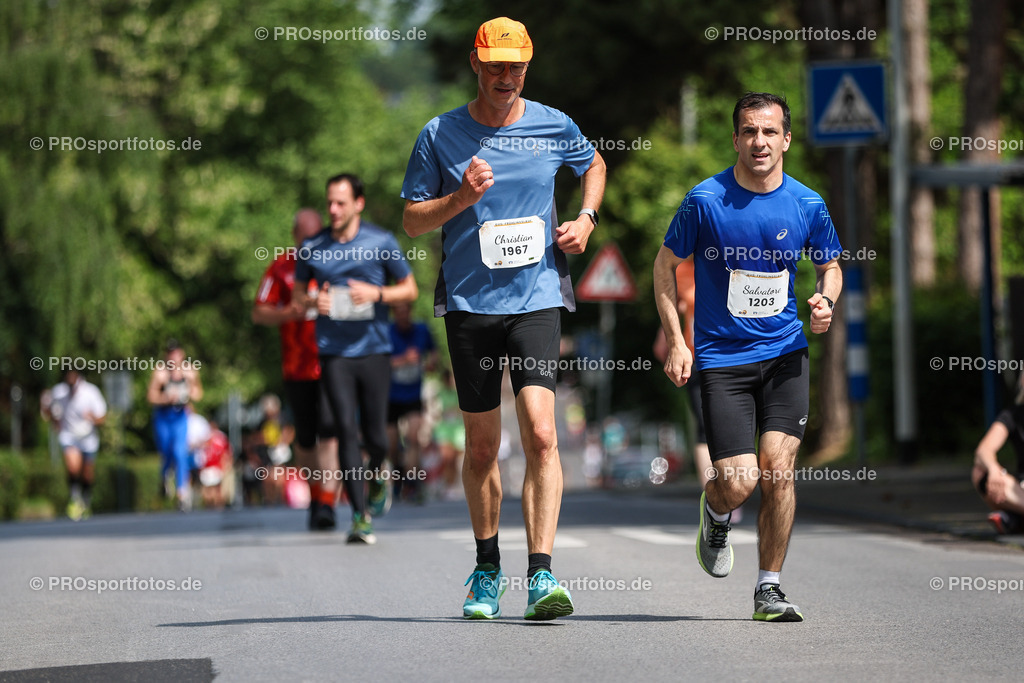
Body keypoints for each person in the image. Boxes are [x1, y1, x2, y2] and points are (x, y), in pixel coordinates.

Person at [401, 16, 606, 620]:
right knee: (484, 446)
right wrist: (461, 198)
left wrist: (586, 221)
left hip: (538, 297)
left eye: (515, 66)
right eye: (495, 66)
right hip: (469, 303)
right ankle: (487, 567)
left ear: (527, 65)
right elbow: (413, 219)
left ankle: (541, 574)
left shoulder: (552, 124)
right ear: (475, 63)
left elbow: (592, 166)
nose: (506, 77)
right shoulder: (440, 135)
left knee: (542, 432)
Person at [655, 92, 842, 623]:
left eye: (769, 132)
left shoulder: (807, 204)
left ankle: (769, 588)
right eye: (748, 132)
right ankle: (716, 510)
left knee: (778, 470)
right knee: (740, 482)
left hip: (785, 353)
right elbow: (664, 267)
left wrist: (825, 300)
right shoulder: (705, 200)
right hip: (722, 361)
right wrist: (677, 340)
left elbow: (831, 265)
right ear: (736, 139)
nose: (759, 142)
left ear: (786, 139)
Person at [294, 173, 418, 544]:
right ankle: (360, 516)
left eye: (341, 203)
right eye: (329, 202)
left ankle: (377, 470)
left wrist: (376, 294)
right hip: (334, 354)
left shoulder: (381, 241)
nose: (332, 209)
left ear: (358, 204)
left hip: (375, 351)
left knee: (378, 438)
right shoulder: (313, 248)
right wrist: (314, 301)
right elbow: (298, 299)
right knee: (346, 431)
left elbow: (409, 289)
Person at [253, 208, 341, 530]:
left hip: (333, 363)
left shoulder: (338, 262)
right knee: (305, 439)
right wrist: (290, 311)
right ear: (295, 236)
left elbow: (364, 301)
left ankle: (328, 504)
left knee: (330, 434)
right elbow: (259, 312)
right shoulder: (281, 267)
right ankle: (315, 496)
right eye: (306, 236)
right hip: (297, 368)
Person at [387, 301, 437, 503]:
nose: (402, 315)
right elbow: (379, 363)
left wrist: (430, 362)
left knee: (414, 438)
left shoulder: (422, 330)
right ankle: (398, 476)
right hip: (390, 396)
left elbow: (433, 354)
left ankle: (412, 482)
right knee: (390, 445)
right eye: (398, 312)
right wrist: (404, 360)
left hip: (413, 395)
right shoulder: (386, 332)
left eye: (405, 311)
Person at [40, 369, 107, 520]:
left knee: (87, 473)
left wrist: (92, 418)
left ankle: (86, 500)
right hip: (69, 435)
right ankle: (74, 498)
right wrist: (54, 420)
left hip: (88, 437)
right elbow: (49, 411)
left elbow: (102, 418)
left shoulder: (91, 392)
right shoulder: (58, 392)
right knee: (72, 466)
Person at [147, 340, 203, 511]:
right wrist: (165, 398)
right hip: (164, 417)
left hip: (180, 417)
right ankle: (165, 478)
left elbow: (199, 393)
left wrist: (188, 394)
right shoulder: (160, 372)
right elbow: (151, 396)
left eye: (176, 352)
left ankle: (182, 493)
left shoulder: (189, 371)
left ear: (181, 353)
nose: (173, 356)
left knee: (180, 451)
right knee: (166, 452)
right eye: (170, 353)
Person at [972, 372, 1024, 534]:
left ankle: (1013, 519)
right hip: (1020, 489)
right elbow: (984, 449)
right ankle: (1014, 518)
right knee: (980, 472)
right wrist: (994, 470)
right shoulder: (1013, 414)